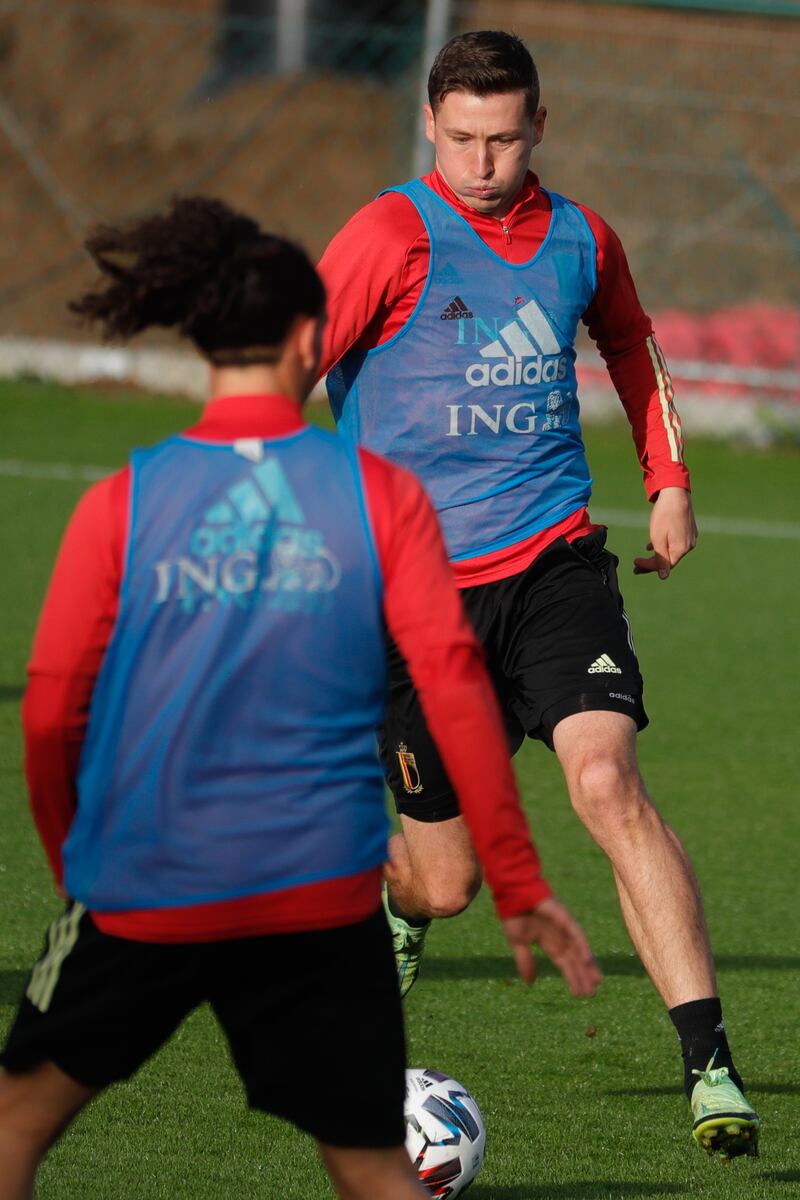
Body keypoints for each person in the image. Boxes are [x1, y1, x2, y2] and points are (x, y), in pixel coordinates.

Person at [0, 196, 600, 1200]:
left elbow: (51, 707)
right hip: (316, 887)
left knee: (16, 1127)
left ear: (200, 343)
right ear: (310, 338)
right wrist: (517, 877)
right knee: (371, 1166)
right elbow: (453, 689)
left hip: (154, 868)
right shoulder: (380, 496)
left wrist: (78, 861)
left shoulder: (126, 500)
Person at [318, 30, 760, 1161]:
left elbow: (629, 342)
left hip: (555, 566)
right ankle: (394, 898)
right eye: (461, 139)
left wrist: (667, 483)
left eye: (503, 138)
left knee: (606, 782)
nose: (480, 163)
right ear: (430, 127)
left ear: (538, 127)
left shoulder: (578, 238)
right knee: (446, 884)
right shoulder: (386, 235)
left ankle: (708, 1065)